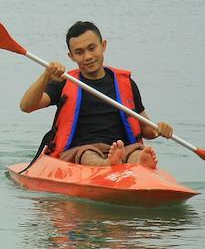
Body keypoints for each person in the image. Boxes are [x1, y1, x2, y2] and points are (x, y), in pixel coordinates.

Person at [18, 20, 173, 168]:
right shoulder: (64, 82)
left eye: (92, 48)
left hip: (120, 149)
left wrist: (158, 129)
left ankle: (140, 163)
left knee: (136, 152)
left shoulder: (126, 83)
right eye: (79, 52)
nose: (87, 57)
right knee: (87, 154)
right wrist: (46, 76)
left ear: (103, 46)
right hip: (79, 151)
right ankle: (106, 165)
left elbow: (146, 129)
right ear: (71, 56)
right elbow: (26, 106)